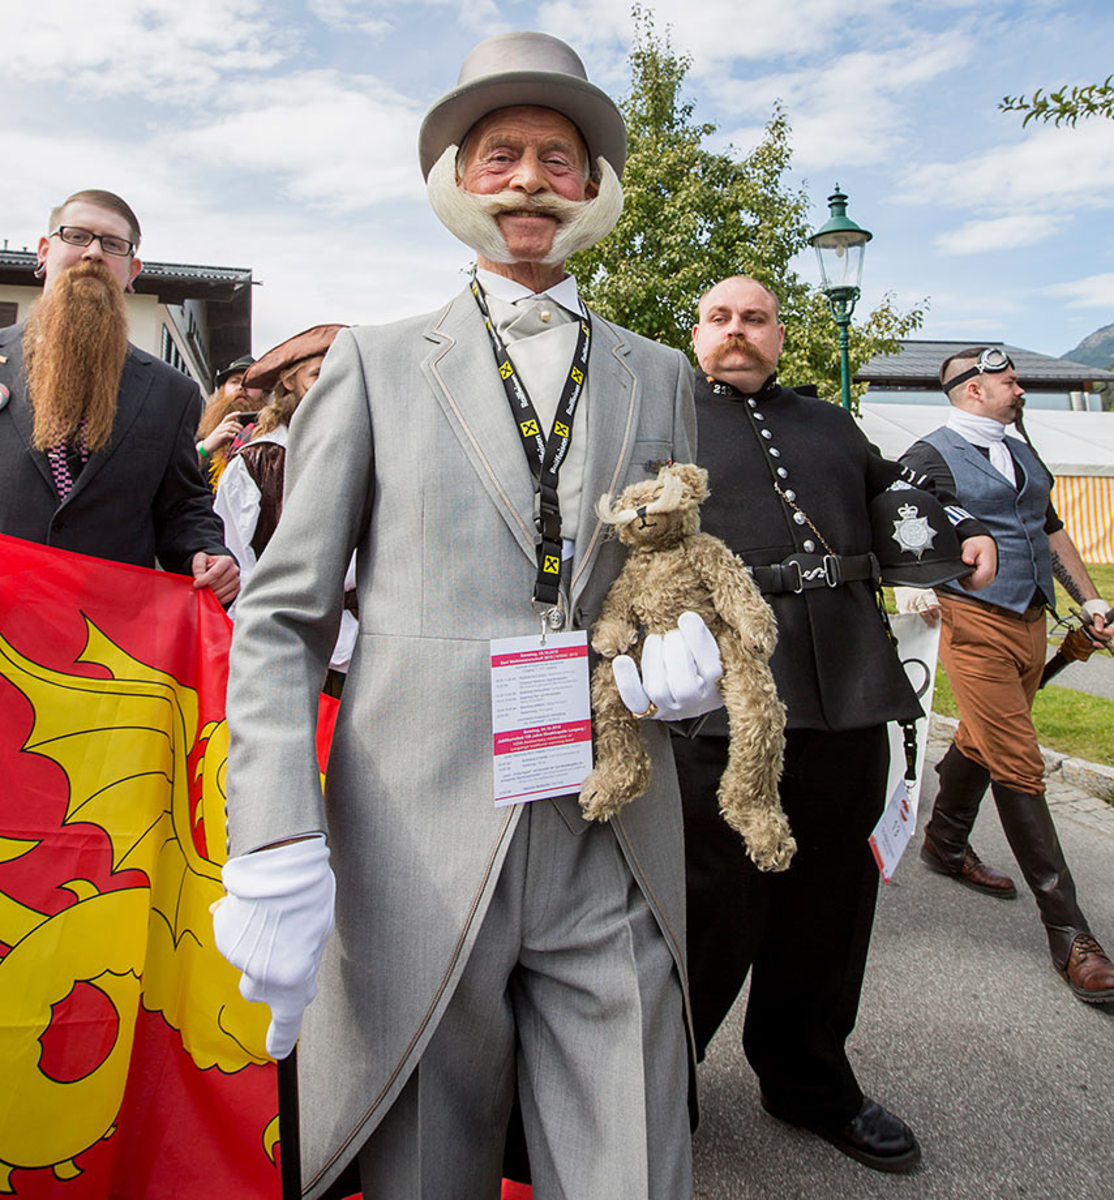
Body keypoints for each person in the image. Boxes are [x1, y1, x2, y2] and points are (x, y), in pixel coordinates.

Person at [214, 33, 715, 1200]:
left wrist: (676, 654)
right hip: (416, 836)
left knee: (634, 1162)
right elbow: (283, 620)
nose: (529, 179)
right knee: (420, 1164)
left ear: (591, 187)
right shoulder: (376, 365)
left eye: (555, 155)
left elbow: (672, 570)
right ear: (454, 179)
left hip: (614, 825)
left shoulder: (661, 374)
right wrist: (275, 835)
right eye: (500, 155)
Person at [675, 275, 997, 1174]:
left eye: (756, 319)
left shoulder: (830, 422)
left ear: (780, 333)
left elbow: (900, 493)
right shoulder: (656, 418)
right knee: (710, 907)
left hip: (851, 689)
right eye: (721, 319)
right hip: (723, 699)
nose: (738, 332)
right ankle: (660, 1084)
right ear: (697, 333)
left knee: (829, 906)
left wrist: (961, 531)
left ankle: (809, 1081)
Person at [898, 346, 1114, 1003]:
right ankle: (1070, 933)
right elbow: (900, 524)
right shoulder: (929, 453)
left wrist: (1092, 602)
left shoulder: (1022, 451)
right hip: (973, 618)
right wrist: (914, 586)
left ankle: (945, 840)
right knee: (1017, 758)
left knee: (984, 737)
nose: (1020, 389)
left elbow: (1049, 529)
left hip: (1031, 613)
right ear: (971, 390)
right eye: (1009, 381)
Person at [0, 188, 238, 604]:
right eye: (76, 236)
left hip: (105, 632)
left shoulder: (171, 392)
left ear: (132, 270)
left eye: (113, 245)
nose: (93, 253)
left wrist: (206, 553)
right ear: (43, 250)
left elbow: (182, 506)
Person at [213, 324, 354, 682]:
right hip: (283, 652)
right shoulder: (255, 464)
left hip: (365, 655)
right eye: (319, 375)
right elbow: (237, 566)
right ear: (289, 382)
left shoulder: (371, 454)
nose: (333, 388)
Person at [196, 356, 261, 488]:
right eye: (234, 382)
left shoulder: (275, 433)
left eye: (250, 383)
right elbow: (178, 473)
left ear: (264, 392)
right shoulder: (201, 430)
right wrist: (206, 447)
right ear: (222, 390)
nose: (241, 387)